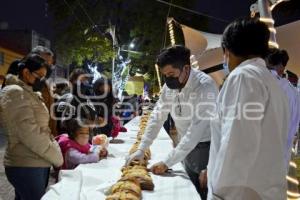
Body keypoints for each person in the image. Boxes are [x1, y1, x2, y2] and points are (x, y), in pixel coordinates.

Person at [206, 18, 290, 200]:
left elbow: (235, 146)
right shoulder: (272, 82)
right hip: (266, 188)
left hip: (242, 193)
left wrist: (217, 196)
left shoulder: (243, 77)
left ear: (227, 51)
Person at [125, 45, 218, 199]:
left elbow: (195, 132)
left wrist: (167, 162)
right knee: (189, 190)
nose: (168, 79)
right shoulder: (170, 87)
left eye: (171, 74)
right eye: (165, 75)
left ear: (186, 68)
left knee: (202, 192)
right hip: (184, 146)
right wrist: (142, 148)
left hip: (205, 149)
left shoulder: (204, 87)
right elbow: (158, 116)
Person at [0, 54, 63, 200]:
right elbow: (30, 133)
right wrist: (57, 156)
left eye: (44, 77)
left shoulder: (29, 93)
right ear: (26, 72)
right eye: (39, 76)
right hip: (26, 164)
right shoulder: (14, 92)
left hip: (36, 161)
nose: (42, 80)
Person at [266, 48, 300, 166]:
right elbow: (294, 124)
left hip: (260, 156)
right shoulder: (293, 92)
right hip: (282, 155)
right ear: (283, 66)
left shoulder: (261, 83)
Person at [31, 46, 57, 136]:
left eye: (50, 64)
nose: (48, 68)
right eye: (45, 63)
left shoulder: (46, 84)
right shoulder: (26, 84)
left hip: (48, 137)